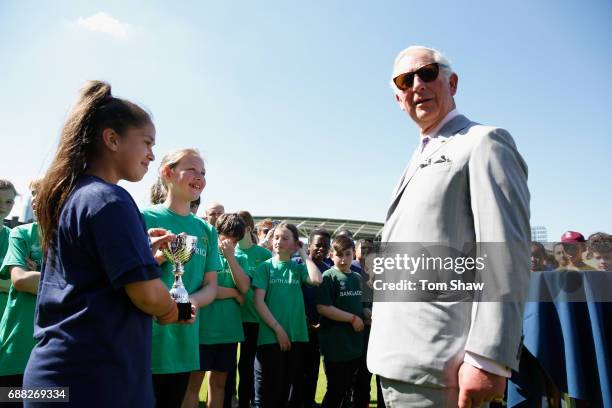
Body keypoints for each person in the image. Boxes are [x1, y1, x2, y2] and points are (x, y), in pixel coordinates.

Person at [369, 46, 530, 407]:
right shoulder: (417, 155)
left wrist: (489, 357)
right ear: (398, 98)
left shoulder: (484, 142)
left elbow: (505, 250)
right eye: (404, 80)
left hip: (443, 369)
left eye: (427, 73)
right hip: (393, 362)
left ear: (451, 82)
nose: (416, 85)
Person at [23, 80, 180, 408]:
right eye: (147, 142)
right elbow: (149, 296)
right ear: (112, 139)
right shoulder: (110, 200)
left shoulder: (74, 195)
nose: (152, 154)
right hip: (95, 383)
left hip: (54, 379)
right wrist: (175, 310)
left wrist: (140, 251)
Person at [142, 148, 220, 407]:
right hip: (143, 339)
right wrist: (156, 258)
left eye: (203, 173)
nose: (200, 177)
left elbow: (211, 286)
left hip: (183, 340)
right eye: (192, 170)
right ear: (168, 173)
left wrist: (188, 304)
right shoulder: (143, 218)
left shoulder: (206, 230)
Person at [184, 213, 250, 408]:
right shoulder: (205, 253)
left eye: (235, 239)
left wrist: (230, 257)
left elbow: (245, 288)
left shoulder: (239, 258)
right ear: (217, 233)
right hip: (203, 331)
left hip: (229, 333)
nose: (230, 242)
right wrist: (232, 292)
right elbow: (204, 288)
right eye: (226, 236)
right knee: (193, 385)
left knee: (219, 385)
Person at [253, 222, 323, 407]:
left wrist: (303, 254)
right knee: (271, 393)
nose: (278, 241)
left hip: (296, 337)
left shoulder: (298, 268)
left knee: (288, 392)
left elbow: (317, 279)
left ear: (295, 244)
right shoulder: (265, 268)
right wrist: (278, 330)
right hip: (270, 337)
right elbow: (258, 302)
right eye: (276, 237)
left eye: (285, 238)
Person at [0, 180, 42, 400]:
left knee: (50, 398)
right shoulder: (22, 234)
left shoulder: (76, 239)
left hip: (47, 351)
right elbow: (20, 280)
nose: (36, 199)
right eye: (33, 193)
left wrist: (38, 277)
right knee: (9, 397)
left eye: (8, 201)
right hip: (14, 347)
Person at [230, 210, 273, 408]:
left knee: (253, 366)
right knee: (234, 366)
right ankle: (235, 400)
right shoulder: (231, 252)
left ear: (247, 229)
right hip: (233, 318)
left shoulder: (264, 255)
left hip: (256, 319)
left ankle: (254, 402)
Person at [316, 235, 365, 408]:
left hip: (355, 346)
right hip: (336, 346)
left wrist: (367, 314)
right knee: (335, 390)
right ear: (331, 255)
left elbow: (362, 307)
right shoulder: (328, 276)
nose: (343, 259)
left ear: (353, 254)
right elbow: (323, 307)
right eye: (339, 255)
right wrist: (352, 319)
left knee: (347, 391)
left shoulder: (358, 279)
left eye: (347, 254)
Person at [0, 179, 17, 314]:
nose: (3, 206)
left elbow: (20, 282)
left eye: (8, 202)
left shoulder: (16, 238)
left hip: (4, 317)